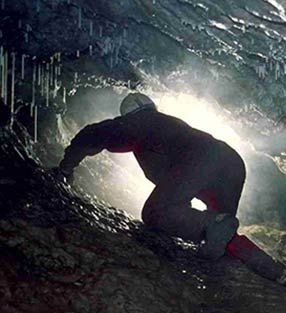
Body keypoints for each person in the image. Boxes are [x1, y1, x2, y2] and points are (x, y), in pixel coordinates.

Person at [54, 93, 246, 260]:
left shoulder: (141, 121)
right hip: (232, 163)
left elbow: (93, 134)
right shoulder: (171, 127)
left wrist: (65, 168)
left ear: (129, 116)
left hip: (203, 160)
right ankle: (269, 269)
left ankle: (216, 226)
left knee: (155, 212)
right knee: (222, 233)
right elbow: (178, 186)